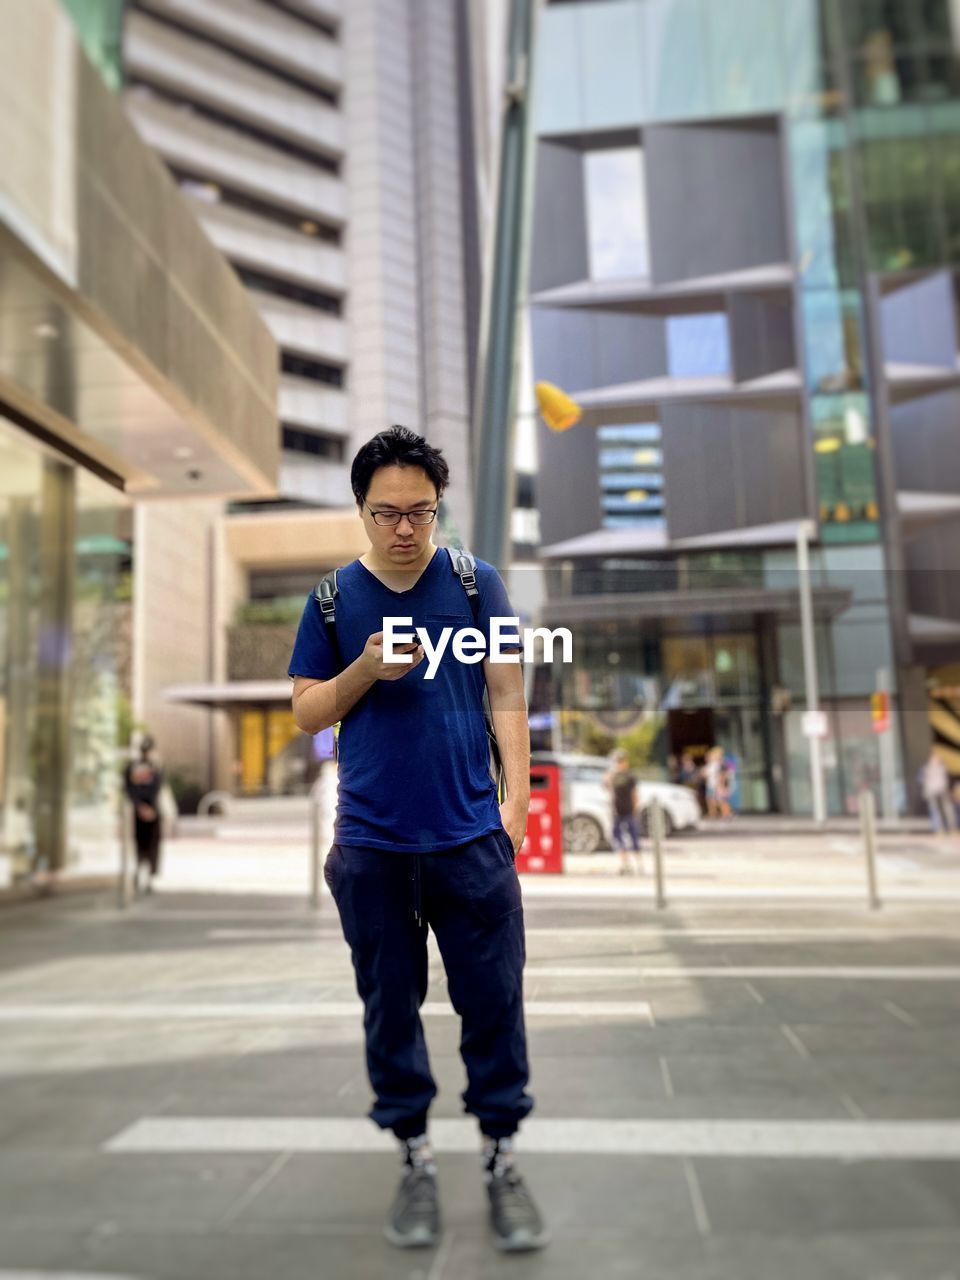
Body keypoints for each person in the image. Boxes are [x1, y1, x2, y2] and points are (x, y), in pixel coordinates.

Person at [288, 426, 546, 1253]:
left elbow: (506, 689)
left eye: (421, 513)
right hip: (371, 847)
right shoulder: (332, 600)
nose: (404, 529)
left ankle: (502, 1157)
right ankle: (416, 1157)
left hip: (472, 840)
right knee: (389, 1008)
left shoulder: (476, 585)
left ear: (439, 509)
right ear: (361, 510)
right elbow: (306, 711)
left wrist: (516, 808)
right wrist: (365, 668)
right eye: (387, 513)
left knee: (495, 1004)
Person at [123, 735, 163, 893]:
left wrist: (140, 806)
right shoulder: (150, 767)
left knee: (146, 844)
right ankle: (143, 875)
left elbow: (131, 789)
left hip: (145, 810)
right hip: (147, 810)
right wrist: (143, 807)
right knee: (146, 845)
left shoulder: (140, 767)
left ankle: (146, 876)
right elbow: (132, 788)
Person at [605, 749, 642, 875]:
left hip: (628, 810)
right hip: (617, 811)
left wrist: (636, 808)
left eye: (622, 761)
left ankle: (639, 864)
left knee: (634, 837)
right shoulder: (613, 776)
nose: (620, 764)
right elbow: (609, 790)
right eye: (618, 761)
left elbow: (635, 793)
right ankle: (625, 863)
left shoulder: (630, 776)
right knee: (618, 838)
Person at [920, 748, 956, 834]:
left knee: (948, 809)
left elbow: (947, 780)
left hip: (942, 790)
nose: (937, 759)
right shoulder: (927, 768)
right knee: (935, 809)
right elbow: (922, 779)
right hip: (932, 791)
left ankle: (952, 827)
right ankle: (938, 828)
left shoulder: (943, 768)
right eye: (935, 758)